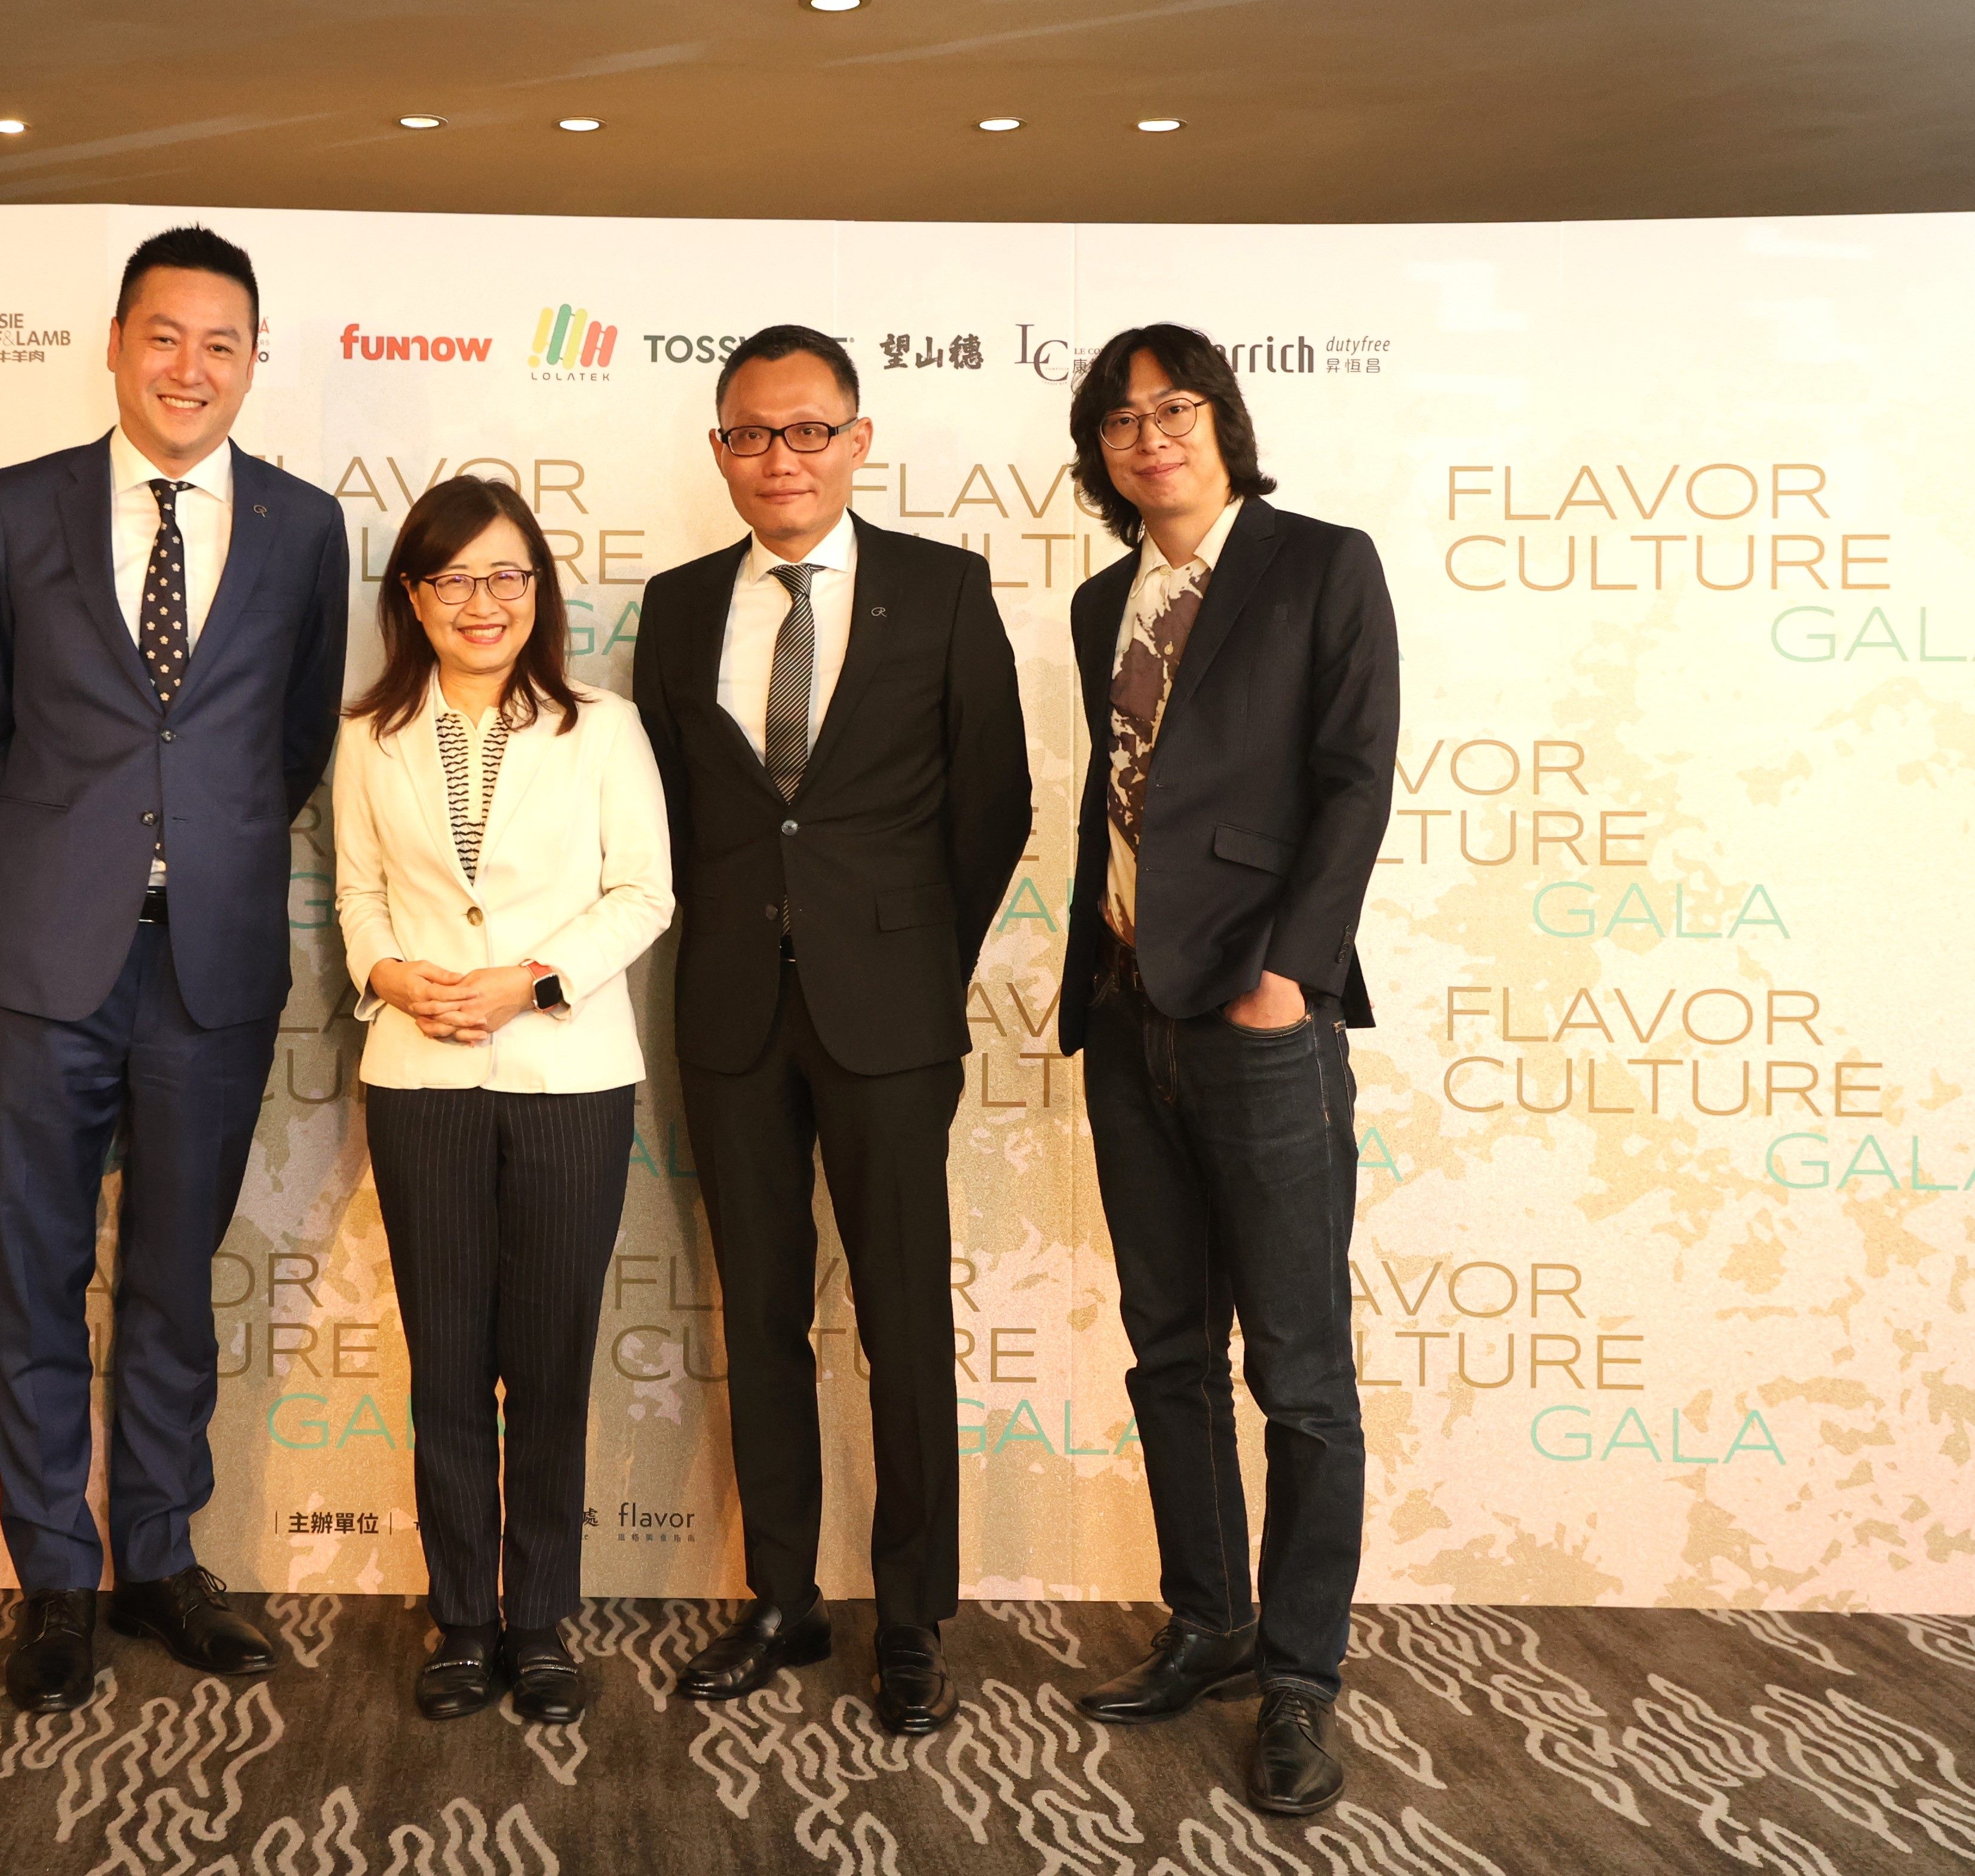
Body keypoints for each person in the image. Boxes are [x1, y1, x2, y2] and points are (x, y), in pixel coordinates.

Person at [0, 225, 352, 1712]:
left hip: (213, 962)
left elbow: (293, 741)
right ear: (117, 345)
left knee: (176, 1279)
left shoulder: (306, 526)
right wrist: (89, 854)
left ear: (253, 359)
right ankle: (57, 1576)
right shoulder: (19, 507)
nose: (191, 367)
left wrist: (199, 851)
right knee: (40, 1274)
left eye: (221, 342)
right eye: (165, 336)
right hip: (47, 955)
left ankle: (162, 1557)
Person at [634, 325, 1031, 1735]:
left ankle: (913, 1614)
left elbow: (994, 805)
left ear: (859, 440)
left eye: (808, 430)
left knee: (903, 1319)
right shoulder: (679, 607)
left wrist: (914, 957)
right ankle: (784, 1597)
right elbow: (671, 811)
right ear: (721, 450)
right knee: (760, 1315)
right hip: (731, 1009)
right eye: (752, 433)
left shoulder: (943, 587)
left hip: (891, 1013)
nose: (781, 457)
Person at [1052, 324, 1397, 1817]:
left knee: (1300, 1372)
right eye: (1121, 419)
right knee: (1169, 1348)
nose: (1151, 435)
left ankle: (1302, 1672)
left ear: (1223, 420)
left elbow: (1355, 777)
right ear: (1101, 452)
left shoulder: (1321, 564)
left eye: (1174, 407)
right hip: (1128, 1010)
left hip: (1260, 1020)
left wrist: (1289, 976)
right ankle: (1209, 1620)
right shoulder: (1100, 601)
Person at [331, 476, 674, 1726]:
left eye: (507, 576)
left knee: (548, 1361)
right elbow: (358, 894)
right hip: (420, 1079)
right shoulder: (368, 734)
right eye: (455, 579)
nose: (484, 601)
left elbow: (643, 893)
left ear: (539, 590)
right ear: (414, 598)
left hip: (567, 1078)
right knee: (445, 1363)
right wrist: (388, 973)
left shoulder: (604, 726)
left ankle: (539, 1618)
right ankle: (462, 1620)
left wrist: (529, 981)